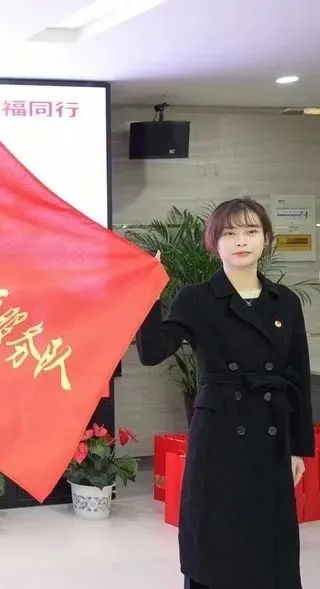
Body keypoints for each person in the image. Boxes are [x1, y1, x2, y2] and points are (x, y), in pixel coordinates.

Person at [136, 197, 312, 589]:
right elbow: (152, 353)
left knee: (270, 541)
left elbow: (297, 375)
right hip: (218, 434)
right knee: (214, 536)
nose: (241, 241)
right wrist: (148, 294)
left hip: (270, 434)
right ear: (214, 243)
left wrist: (299, 448)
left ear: (266, 238)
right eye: (229, 233)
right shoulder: (196, 298)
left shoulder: (285, 301)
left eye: (251, 231)